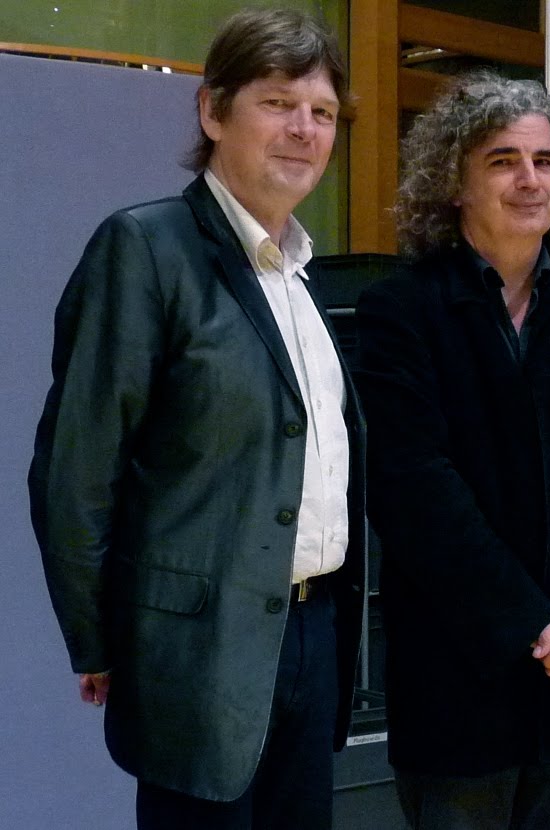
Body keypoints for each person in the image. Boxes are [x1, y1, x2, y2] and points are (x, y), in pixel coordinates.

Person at [28, 9, 366, 829]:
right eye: (278, 103)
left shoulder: (302, 276)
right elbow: (76, 470)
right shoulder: (146, 248)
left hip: (313, 634)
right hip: (195, 653)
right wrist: (100, 638)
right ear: (213, 111)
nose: (304, 129)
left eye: (322, 112)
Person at [352, 70, 550, 830]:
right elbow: (415, 490)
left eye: (545, 161)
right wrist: (537, 631)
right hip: (460, 686)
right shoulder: (401, 311)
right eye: (503, 160)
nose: (530, 179)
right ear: (454, 182)